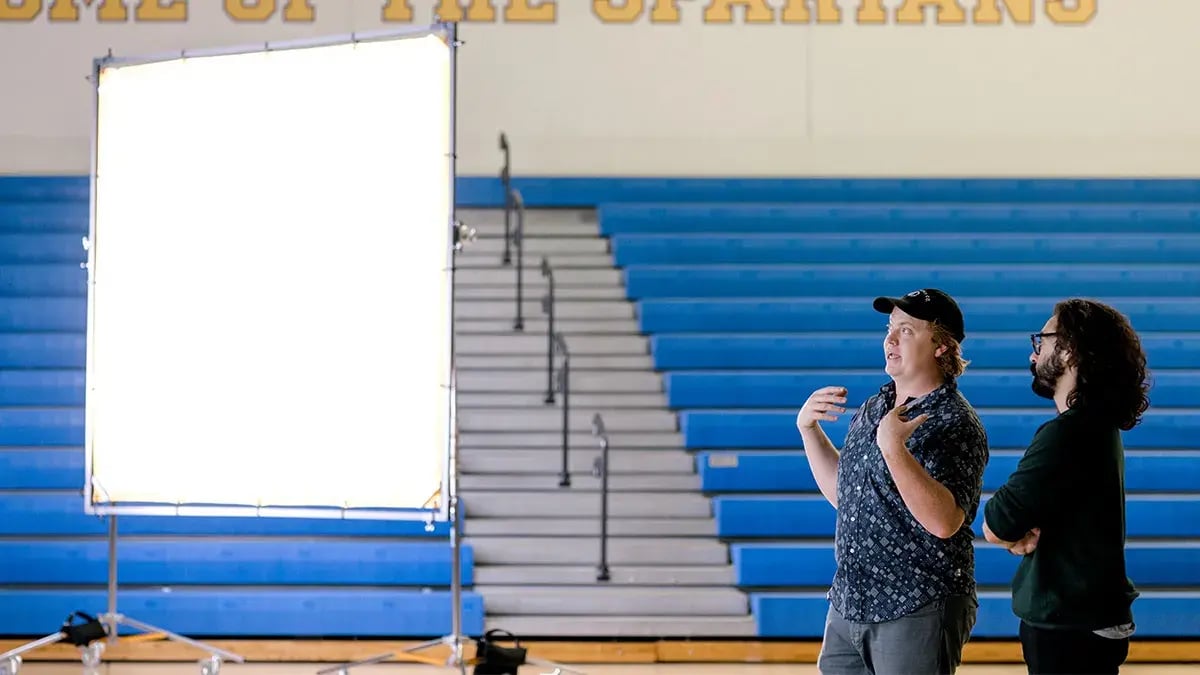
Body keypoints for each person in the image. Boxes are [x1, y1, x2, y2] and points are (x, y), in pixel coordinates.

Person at [796, 288, 990, 675]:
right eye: (889, 328)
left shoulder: (955, 422)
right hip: (850, 602)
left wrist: (893, 448)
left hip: (917, 602)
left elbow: (945, 521)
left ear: (941, 346)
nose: (890, 339)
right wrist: (808, 430)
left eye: (906, 330)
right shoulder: (875, 407)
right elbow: (846, 496)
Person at [983, 299, 1148, 674]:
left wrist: (1009, 536)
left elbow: (997, 521)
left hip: (1070, 627)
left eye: (1043, 339)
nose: (1034, 350)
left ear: (1070, 350)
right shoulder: (1096, 426)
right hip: (1087, 621)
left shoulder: (1068, 433)